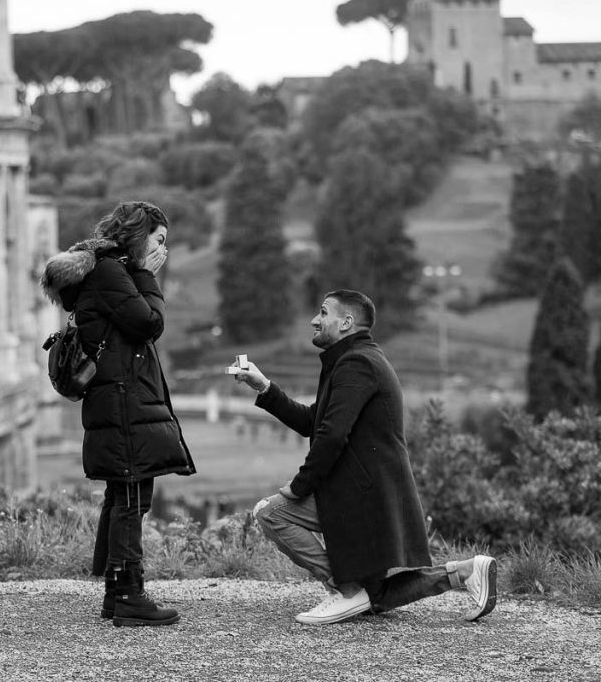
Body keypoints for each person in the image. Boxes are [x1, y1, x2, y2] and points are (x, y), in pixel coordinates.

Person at [231, 289, 497, 625]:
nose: (315, 319)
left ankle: (346, 589)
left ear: (346, 322)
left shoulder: (356, 363)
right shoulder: (353, 358)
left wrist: (299, 488)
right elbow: (313, 422)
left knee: (272, 513)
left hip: (362, 496)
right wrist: (264, 387)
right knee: (377, 596)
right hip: (372, 492)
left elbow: (331, 436)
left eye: (323, 312)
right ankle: (467, 572)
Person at [40, 200, 195, 627]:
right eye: (158, 241)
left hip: (121, 398)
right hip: (122, 399)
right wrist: (147, 274)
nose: (162, 251)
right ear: (138, 235)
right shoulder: (112, 271)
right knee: (129, 495)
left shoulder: (109, 270)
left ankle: (116, 593)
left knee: (128, 494)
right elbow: (148, 323)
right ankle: (129, 594)